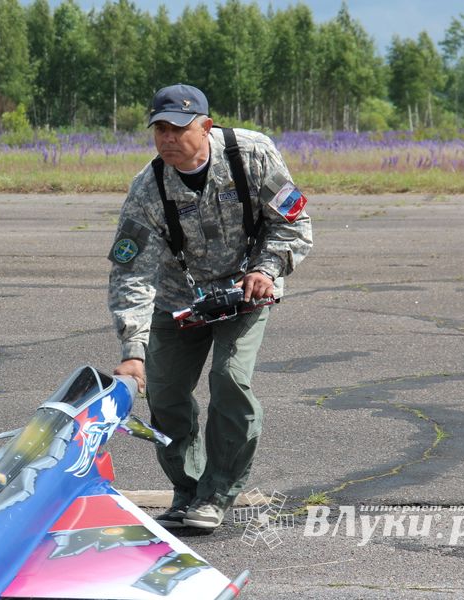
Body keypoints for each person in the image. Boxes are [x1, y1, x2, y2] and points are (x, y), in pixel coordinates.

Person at [107, 84, 312, 529]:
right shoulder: (148, 187)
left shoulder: (252, 154)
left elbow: (293, 225)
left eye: (177, 129)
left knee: (229, 379)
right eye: (159, 129)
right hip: (178, 301)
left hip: (245, 292)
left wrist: (266, 269)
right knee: (164, 395)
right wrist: (132, 352)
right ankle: (188, 489)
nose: (166, 139)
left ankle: (217, 493)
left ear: (206, 126)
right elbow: (132, 273)